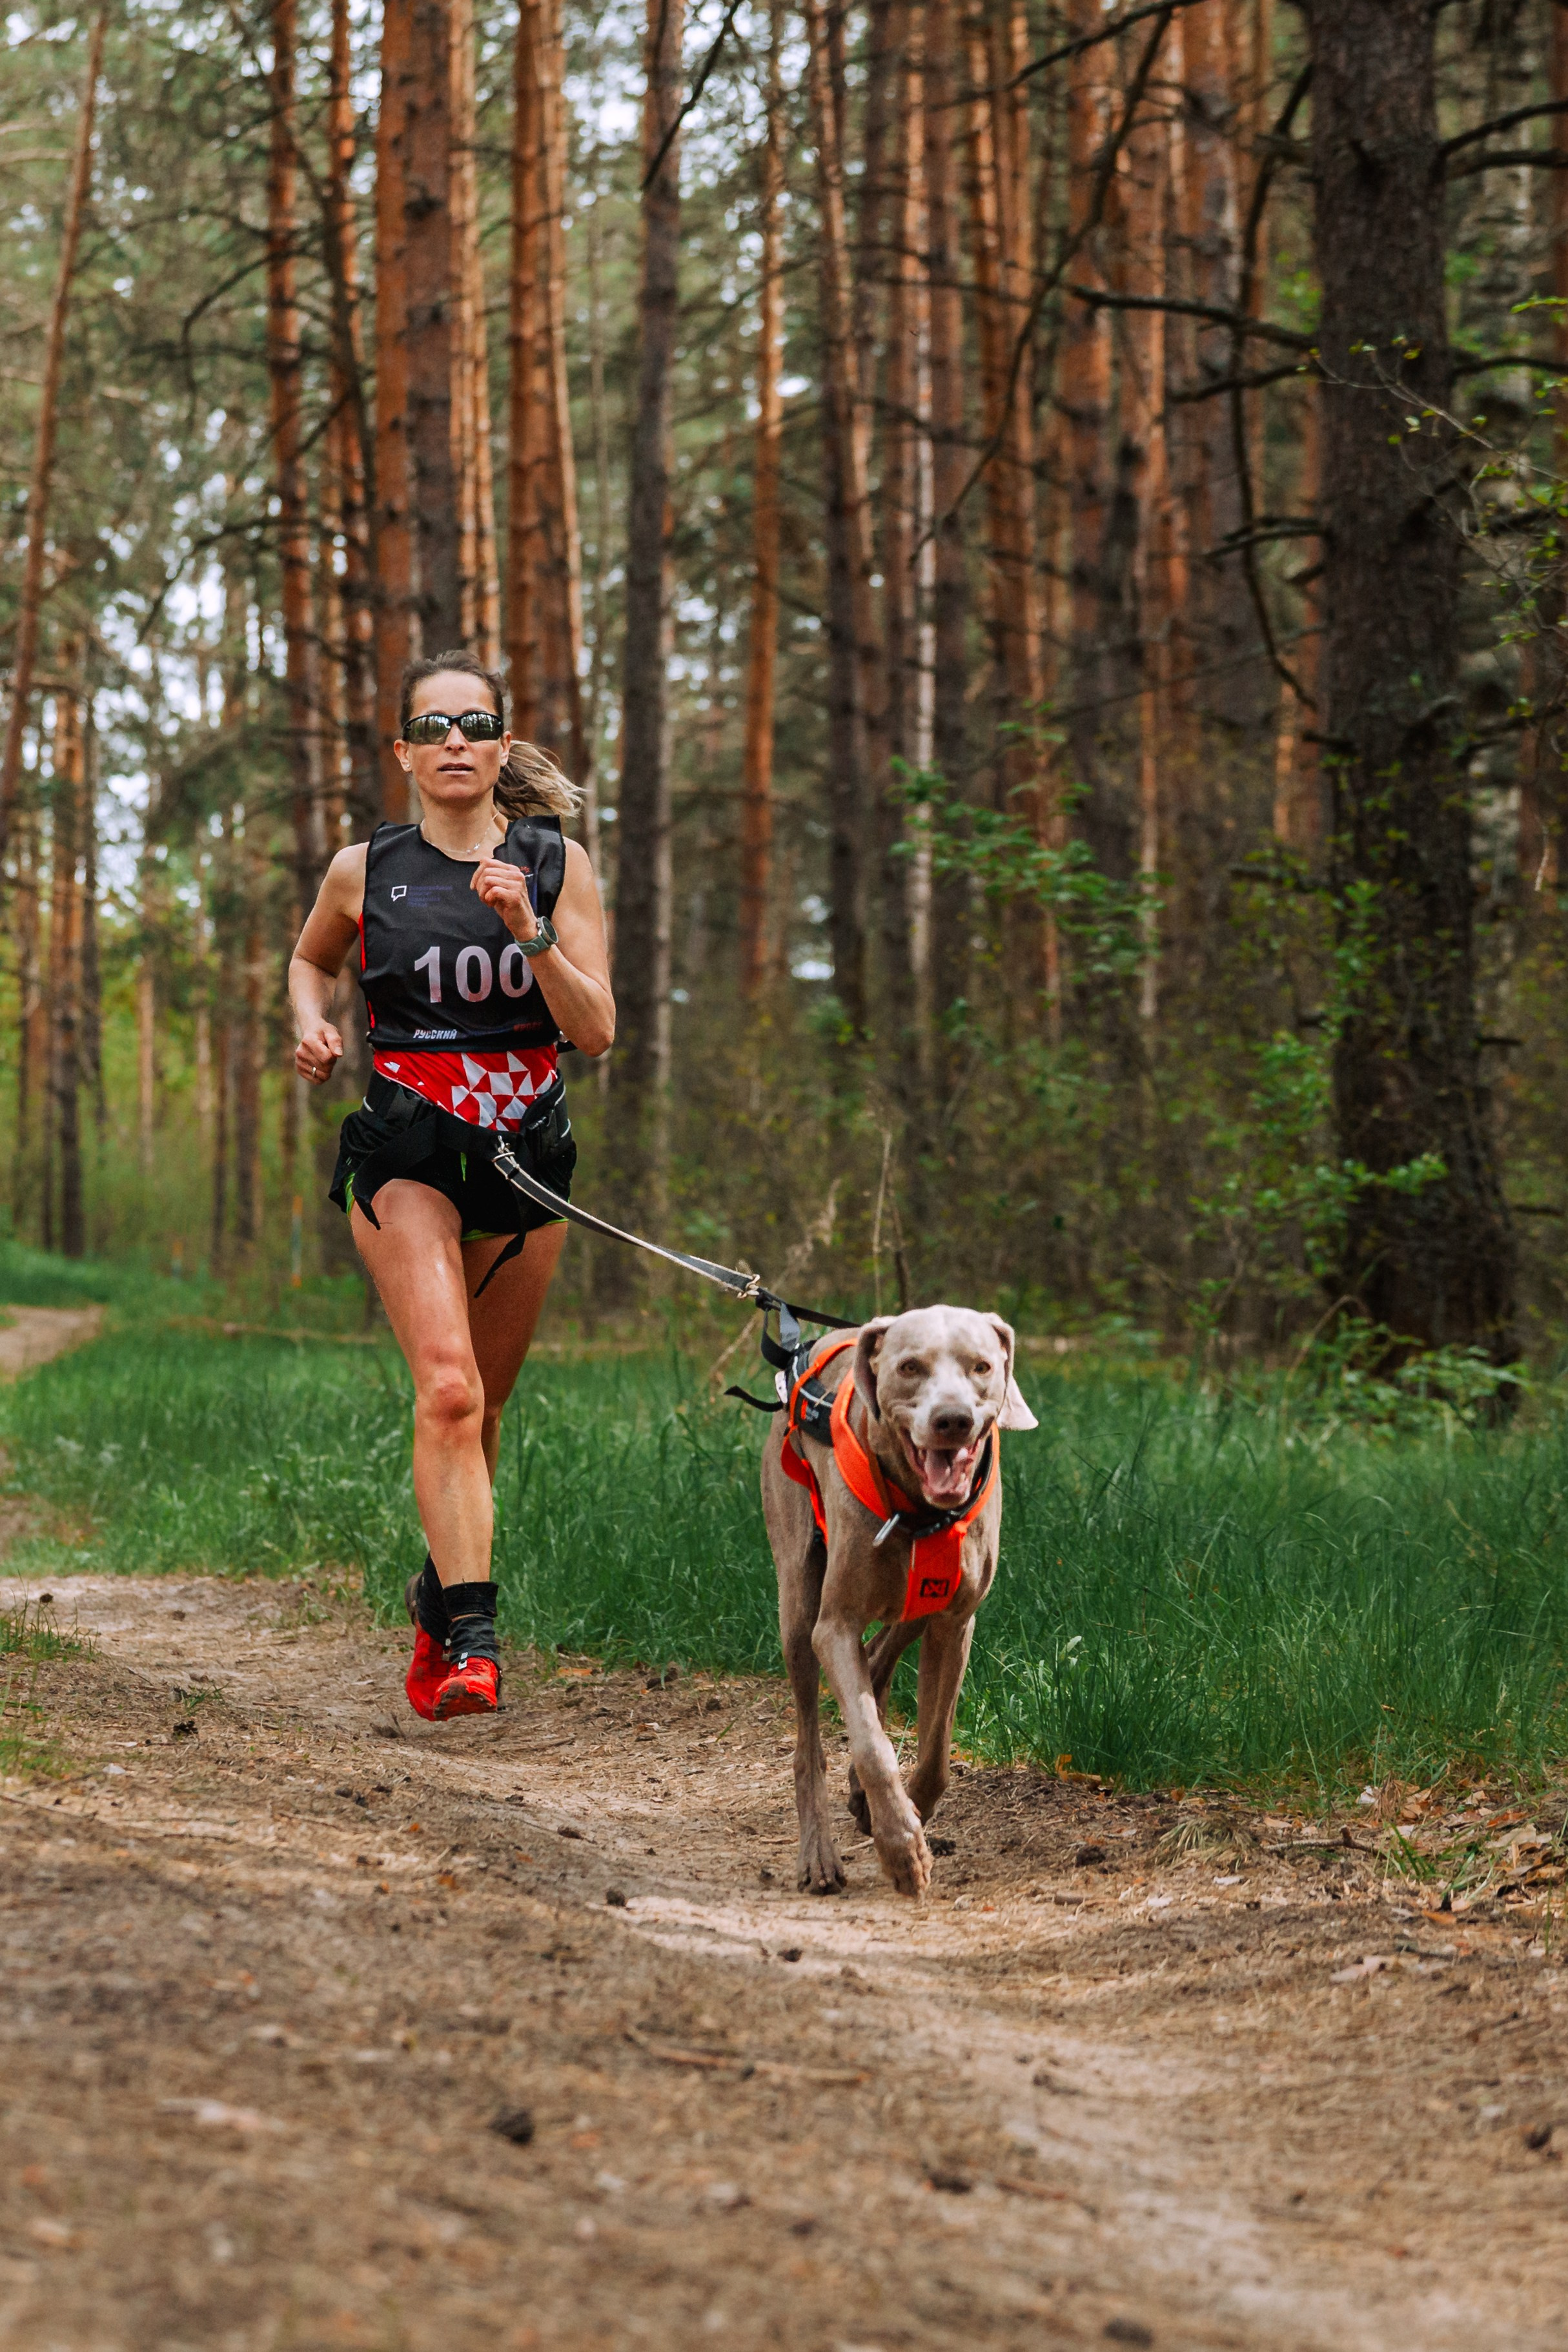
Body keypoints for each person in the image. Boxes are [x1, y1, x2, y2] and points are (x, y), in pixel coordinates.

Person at [288, 651, 615, 1721]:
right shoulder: (361, 868)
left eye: (476, 724)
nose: (456, 743)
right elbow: (309, 960)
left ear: (504, 745)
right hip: (408, 1152)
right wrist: (312, 1023)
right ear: (405, 754)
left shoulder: (558, 863)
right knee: (449, 1389)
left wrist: (528, 929)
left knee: (488, 1407)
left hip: (527, 1155)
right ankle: (475, 1640)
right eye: (433, 729)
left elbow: (597, 1033)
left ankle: (438, 1599)